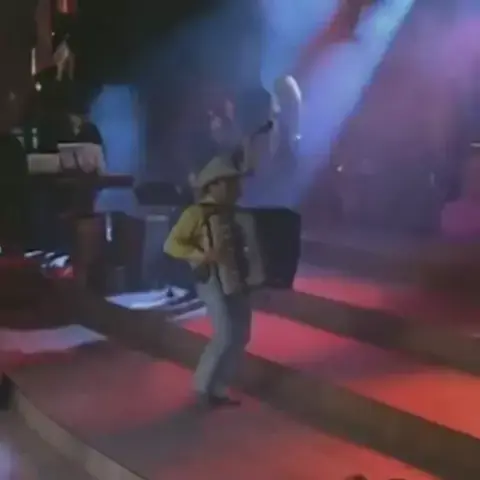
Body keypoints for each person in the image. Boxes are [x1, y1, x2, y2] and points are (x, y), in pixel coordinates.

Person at [163, 124, 271, 409]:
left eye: (235, 182)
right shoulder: (197, 214)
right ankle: (203, 386)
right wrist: (203, 255)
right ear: (214, 185)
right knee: (225, 334)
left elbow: (250, 250)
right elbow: (172, 244)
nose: (236, 187)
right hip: (211, 279)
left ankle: (219, 388)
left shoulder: (239, 216)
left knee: (241, 335)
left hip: (238, 281)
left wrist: (255, 275)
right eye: (229, 183)